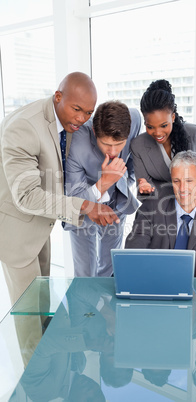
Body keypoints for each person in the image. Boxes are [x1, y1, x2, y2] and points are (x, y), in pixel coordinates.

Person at [0, 72, 119, 304]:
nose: (82, 118)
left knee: (42, 306)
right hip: (16, 233)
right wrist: (86, 205)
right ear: (57, 97)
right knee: (28, 315)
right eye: (76, 109)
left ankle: (45, 340)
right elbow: (25, 195)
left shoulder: (70, 125)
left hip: (40, 226)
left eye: (88, 112)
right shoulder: (24, 127)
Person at [65, 101, 141, 277]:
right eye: (106, 144)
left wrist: (126, 179)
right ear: (94, 132)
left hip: (116, 204)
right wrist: (105, 181)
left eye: (119, 144)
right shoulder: (76, 143)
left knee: (110, 267)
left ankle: (107, 305)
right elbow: (75, 201)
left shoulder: (135, 119)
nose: (113, 151)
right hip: (84, 206)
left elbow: (134, 154)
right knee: (85, 273)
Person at [125, 150, 196, 277]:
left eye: (189, 181)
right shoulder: (149, 209)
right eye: (176, 181)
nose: (182, 189)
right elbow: (134, 255)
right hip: (155, 285)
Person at [130, 79, 196, 200]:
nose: (158, 133)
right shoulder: (138, 145)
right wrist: (146, 190)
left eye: (164, 125)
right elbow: (145, 192)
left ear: (173, 117)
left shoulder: (195, 133)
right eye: (150, 127)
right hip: (159, 212)